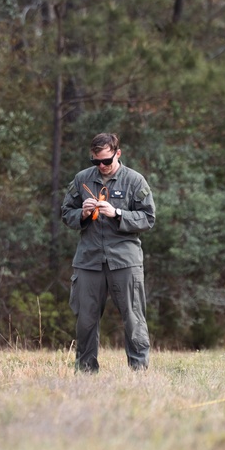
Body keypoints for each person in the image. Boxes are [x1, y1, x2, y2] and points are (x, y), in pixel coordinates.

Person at [60, 133, 155, 372]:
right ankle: (85, 371)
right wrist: (81, 214)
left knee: (133, 318)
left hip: (124, 260)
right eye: (96, 161)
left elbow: (148, 218)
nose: (101, 166)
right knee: (86, 319)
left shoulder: (134, 181)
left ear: (117, 154)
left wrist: (118, 214)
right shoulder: (82, 179)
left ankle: (139, 371)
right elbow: (66, 212)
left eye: (106, 160)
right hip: (89, 260)